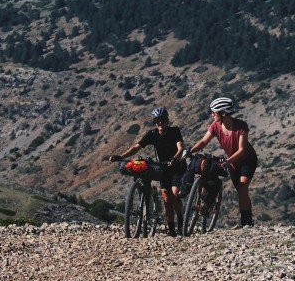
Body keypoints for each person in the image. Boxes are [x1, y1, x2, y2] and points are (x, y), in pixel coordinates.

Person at [109, 106, 186, 235]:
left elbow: (180, 148)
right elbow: (137, 147)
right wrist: (121, 157)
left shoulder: (174, 131)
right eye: (157, 121)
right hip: (164, 168)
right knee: (167, 199)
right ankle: (172, 230)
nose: (160, 123)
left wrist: (174, 158)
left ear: (167, 120)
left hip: (177, 166)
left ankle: (180, 221)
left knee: (175, 194)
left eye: (162, 120)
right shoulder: (152, 134)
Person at [189, 96, 258, 228]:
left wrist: (227, 161)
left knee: (243, 189)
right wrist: (191, 150)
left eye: (214, 112)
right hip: (232, 162)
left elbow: (242, 149)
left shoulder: (241, 126)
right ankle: (246, 220)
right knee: (239, 190)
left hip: (247, 160)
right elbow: (204, 141)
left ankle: (247, 222)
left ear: (223, 113)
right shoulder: (215, 126)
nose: (212, 115)